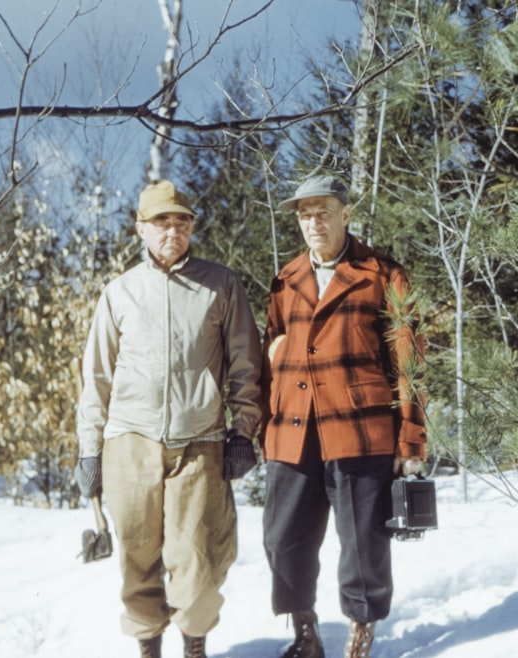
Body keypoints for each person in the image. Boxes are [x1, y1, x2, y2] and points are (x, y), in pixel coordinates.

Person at [74, 180, 262, 658]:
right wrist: (89, 451)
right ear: (141, 228)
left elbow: (245, 365)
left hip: (200, 441)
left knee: (199, 561)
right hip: (128, 444)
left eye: (182, 220)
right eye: (162, 221)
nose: (172, 229)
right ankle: (148, 648)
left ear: (192, 227)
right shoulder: (119, 293)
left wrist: (243, 432)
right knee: (137, 560)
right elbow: (95, 377)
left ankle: (194, 646)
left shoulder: (221, 285)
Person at [260, 174, 427, 658]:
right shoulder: (285, 279)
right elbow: (272, 348)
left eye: (323, 212)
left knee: (362, 545)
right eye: (304, 214)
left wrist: (410, 441)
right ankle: (305, 631)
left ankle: (360, 631)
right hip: (293, 429)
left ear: (346, 213)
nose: (313, 222)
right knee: (282, 539)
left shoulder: (383, 274)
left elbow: (408, 364)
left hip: (359, 431)